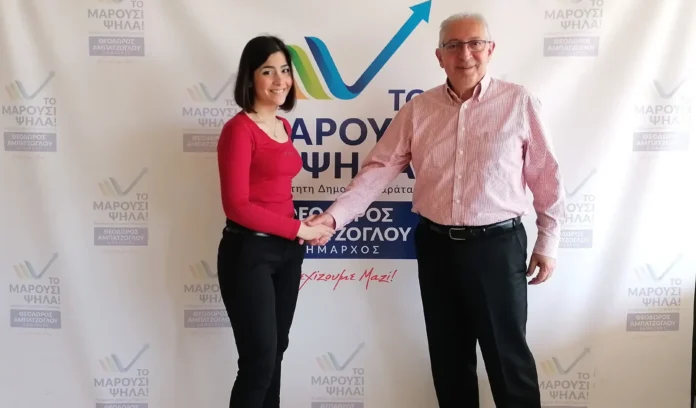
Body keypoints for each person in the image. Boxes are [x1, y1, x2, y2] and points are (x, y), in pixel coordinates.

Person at [304, 13, 566, 408]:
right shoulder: (418, 110)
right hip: (437, 247)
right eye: (453, 46)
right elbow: (379, 169)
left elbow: (546, 175)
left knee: (508, 362)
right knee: (449, 363)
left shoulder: (518, 102)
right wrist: (333, 217)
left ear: (490, 50)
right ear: (439, 56)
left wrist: (548, 240)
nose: (465, 54)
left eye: (475, 43)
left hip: (497, 247)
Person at [215, 35, 335, 408]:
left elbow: (275, 191)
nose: (280, 80)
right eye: (268, 71)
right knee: (258, 362)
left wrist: (300, 224)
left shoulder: (284, 126)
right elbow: (237, 205)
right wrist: (299, 229)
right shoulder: (239, 129)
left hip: (287, 251)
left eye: (285, 70)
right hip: (248, 252)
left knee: (276, 353)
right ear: (250, 78)